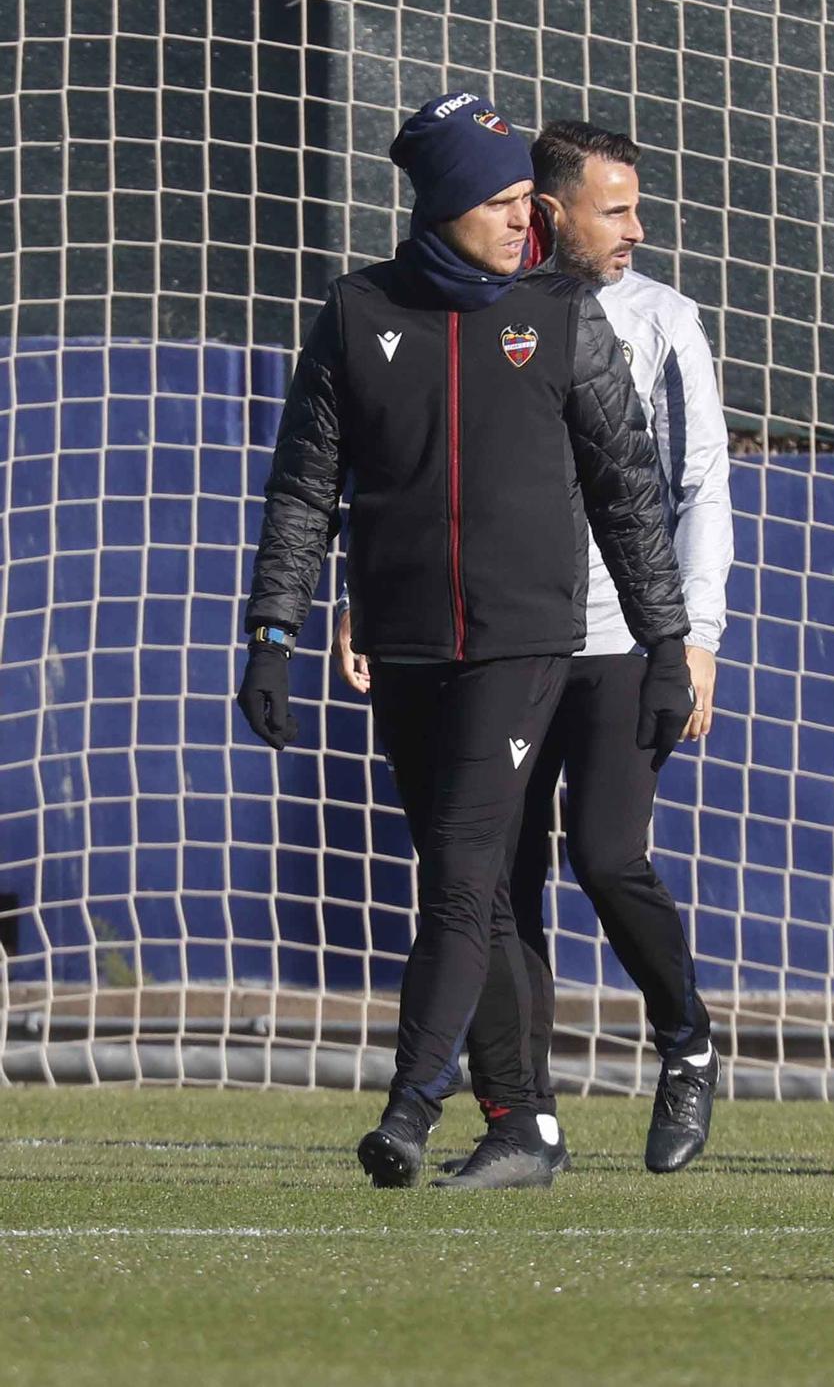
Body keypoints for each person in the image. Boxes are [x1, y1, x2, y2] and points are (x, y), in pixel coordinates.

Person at [237, 92, 694, 1191]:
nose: (519, 218)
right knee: (476, 893)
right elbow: (305, 489)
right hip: (402, 647)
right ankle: (523, 1129)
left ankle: (409, 1108)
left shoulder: (563, 313)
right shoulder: (355, 314)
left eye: (523, 200)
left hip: (521, 644)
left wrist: (665, 639)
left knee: (457, 874)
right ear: (442, 203)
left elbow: (628, 489)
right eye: (496, 200)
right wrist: (272, 630)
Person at [339, 120, 733, 1174]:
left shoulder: (657, 320)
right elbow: (405, 480)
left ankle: (686, 1039)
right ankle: (527, 1118)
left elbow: (693, 489)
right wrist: (365, 597)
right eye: (614, 210)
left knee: (607, 856)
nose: (634, 231)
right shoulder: (460, 311)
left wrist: (690, 636)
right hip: (499, 636)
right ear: (548, 213)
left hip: (613, 641)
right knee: (491, 878)